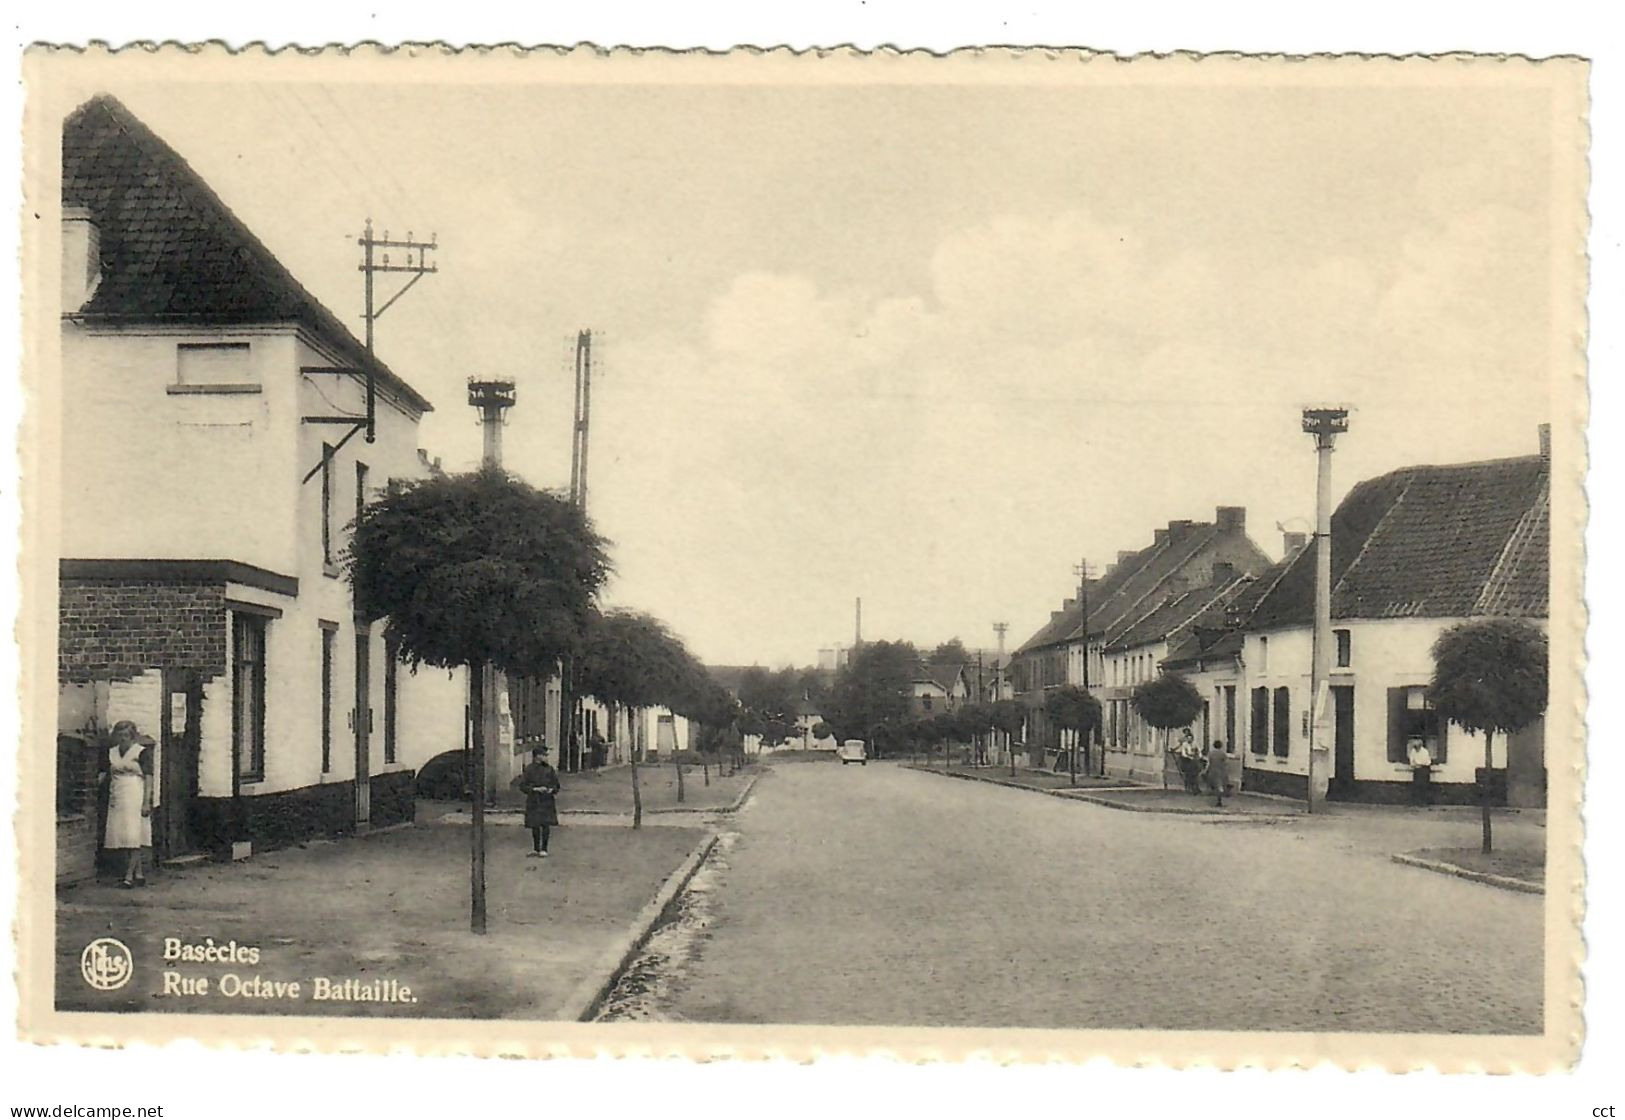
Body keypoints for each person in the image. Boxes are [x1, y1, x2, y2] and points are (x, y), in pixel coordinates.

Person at [100, 720, 154, 887]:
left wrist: (146, 801)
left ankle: (128, 876)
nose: (122, 739)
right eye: (120, 735)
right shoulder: (112, 752)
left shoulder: (141, 752)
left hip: (135, 794)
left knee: (134, 834)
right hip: (117, 795)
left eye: (126, 735)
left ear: (132, 736)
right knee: (122, 834)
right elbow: (104, 773)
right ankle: (139, 873)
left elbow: (149, 778)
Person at [512, 745, 561, 858]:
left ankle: (544, 848)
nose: (546, 758)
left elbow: (556, 785)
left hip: (546, 800)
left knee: (545, 824)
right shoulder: (529, 770)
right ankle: (536, 848)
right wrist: (535, 789)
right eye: (544, 755)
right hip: (534, 800)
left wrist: (551, 790)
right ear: (537, 756)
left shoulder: (549, 769)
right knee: (535, 824)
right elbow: (523, 786)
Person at [1203, 739, 1229, 808]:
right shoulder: (1223, 754)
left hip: (1212, 771)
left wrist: (1205, 771)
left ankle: (1212, 802)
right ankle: (1218, 801)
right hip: (1220, 771)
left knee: (1212, 786)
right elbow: (1226, 764)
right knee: (1219, 787)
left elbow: (1208, 763)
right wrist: (1226, 772)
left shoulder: (1210, 753)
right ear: (1221, 746)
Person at [1407, 738, 1434, 806]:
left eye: (1417, 747)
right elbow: (1411, 760)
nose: (1416, 749)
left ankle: (1424, 802)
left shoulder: (1424, 752)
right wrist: (1414, 765)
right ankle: (1416, 802)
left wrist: (1419, 764)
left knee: (1424, 786)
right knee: (1416, 786)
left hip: (1424, 769)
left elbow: (1426, 762)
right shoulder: (1413, 751)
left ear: (1420, 746)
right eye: (1415, 747)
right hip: (1417, 770)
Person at [1176, 729, 1201, 794]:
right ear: (1187, 739)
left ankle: (1196, 787)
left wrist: (1200, 756)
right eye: (1188, 738)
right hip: (1187, 760)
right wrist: (1189, 757)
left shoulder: (1195, 744)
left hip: (1194, 759)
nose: (1190, 740)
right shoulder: (1185, 744)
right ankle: (1188, 786)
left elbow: (1199, 751)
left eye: (1191, 738)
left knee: (1196, 773)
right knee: (1188, 774)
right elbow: (1183, 753)